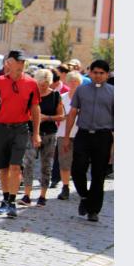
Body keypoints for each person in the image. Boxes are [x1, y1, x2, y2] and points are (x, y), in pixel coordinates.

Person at [0, 50, 41, 219]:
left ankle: (12, 202)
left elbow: (35, 109)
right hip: (1, 128)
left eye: (23, 62)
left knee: (15, 166)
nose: (22, 65)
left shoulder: (31, 83)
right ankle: (5, 199)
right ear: (9, 63)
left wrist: (36, 133)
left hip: (21, 128)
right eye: (18, 61)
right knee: (3, 167)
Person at [63, 60, 113, 222]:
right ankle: (84, 196)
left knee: (98, 175)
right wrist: (66, 136)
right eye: (95, 72)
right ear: (90, 73)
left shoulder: (114, 93)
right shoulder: (81, 90)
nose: (98, 76)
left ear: (107, 74)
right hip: (83, 135)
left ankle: (94, 210)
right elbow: (72, 113)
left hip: (103, 137)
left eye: (101, 73)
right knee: (77, 169)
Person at [19, 69, 64, 207]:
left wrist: (47, 118)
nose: (42, 86)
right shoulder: (30, 94)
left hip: (49, 134)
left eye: (45, 83)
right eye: (40, 83)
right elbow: (22, 112)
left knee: (47, 165)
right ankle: (27, 195)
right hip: (31, 133)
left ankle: (42, 196)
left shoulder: (56, 95)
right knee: (28, 164)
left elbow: (61, 116)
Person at [56, 71, 83, 200]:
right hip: (63, 134)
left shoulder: (84, 98)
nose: (73, 83)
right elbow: (58, 115)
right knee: (64, 163)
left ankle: (80, 188)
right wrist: (65, 116)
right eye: (71, 81)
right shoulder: (62, 97)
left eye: (76, 81)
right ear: (67, 82)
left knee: (79, 164)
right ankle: (65, 187)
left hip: (80, 134)